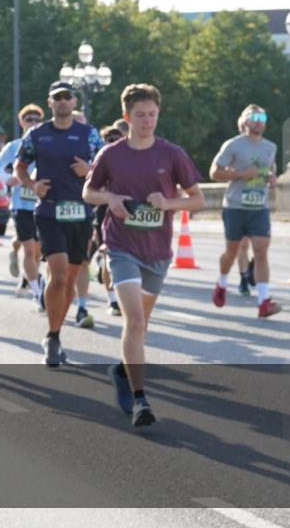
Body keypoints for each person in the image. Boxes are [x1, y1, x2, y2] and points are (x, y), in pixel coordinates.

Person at [84, 83, 204, 427]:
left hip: (157, 251)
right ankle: (140, 399)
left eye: (152, 114)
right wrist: (111, 200)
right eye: (140, 115)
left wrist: (169, 203)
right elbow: (89, 191)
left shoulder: (172, 154)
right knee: (134, 321)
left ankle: (122, 372)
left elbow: (197, 199)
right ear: (127, 117)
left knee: (140, 326)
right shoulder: (111, 154)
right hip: (121, 246)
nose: (148, 121)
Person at [16, 81, 104, 366]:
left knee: (69, 282)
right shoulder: (37, 134)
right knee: (60, 274)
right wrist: (31, 184)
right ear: (50, 102)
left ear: (74, 101)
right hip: (50, 212)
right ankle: (53, 338)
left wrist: (88, 170)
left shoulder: (89, 135)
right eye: (58, 98)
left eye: (68, 97)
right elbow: (19, 165)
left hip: (80, 213)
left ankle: (54, 331)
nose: (63, 101)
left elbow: (106, 169)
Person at [209, 104, 280, 318]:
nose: (259, 120)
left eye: (263, 116)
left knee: (261, 250)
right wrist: (240, 174)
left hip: (259, 206)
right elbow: (214, 172)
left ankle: (263, 301)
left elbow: (270, 171)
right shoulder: (233, 145)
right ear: (245, 121)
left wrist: (272, 179)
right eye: (254, 116)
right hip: (235, 206)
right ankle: (221, 283)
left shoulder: (270, 147)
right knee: (232, 251)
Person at [0, 104, 44, 306]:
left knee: (38, 251)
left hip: (42, 203)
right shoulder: (14, 146)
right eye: (29, 119)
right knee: (30, 249)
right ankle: (37, 292)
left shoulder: (46, 144)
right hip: (21, 203)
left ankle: (27, 275)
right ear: (21, 122)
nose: (32, 123)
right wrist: (9, 179)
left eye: (36, 120)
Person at [93, 125, 126, 315]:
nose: (114, 142)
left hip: (124, 213)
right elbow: (89, 191)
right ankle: (112, 301)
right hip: (104, 213)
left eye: (117, 138)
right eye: (109, 139)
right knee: (108, 257)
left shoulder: (130, 160)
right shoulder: (99, 161)